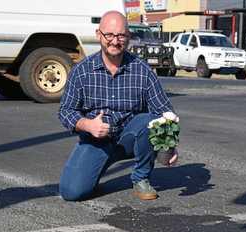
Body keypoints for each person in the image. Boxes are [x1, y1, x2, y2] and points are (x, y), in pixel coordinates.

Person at [58, 10, 179, 201]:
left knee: (151, 121)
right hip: (96, 140)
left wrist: (168, 144)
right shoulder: (81, 72)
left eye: (121, 35)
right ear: (99, 35)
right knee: (72, 192)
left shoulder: (142, 71)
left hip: (130, 138)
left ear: (128, 37)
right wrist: (88, 125)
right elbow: (65, 111)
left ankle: (141, 178)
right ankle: (93, 171)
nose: (115, 41)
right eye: (109, 35)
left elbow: (165, 111)